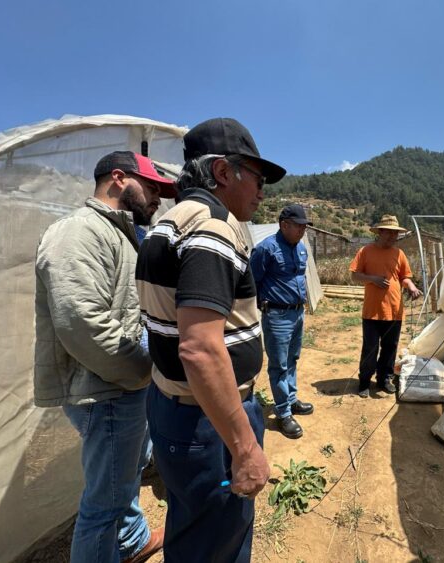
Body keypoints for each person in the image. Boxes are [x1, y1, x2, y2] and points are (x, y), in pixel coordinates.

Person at [136, 118, 286, 562]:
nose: (262, 193)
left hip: (176, 406)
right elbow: (200, 349)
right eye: (258, 179)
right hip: (210, 417)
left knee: (193, 526)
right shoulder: (213, 228)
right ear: (223, 171)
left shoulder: (168, 223)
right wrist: (244, 447)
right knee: (219, 540)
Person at [34, 151, 176, 563]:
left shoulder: (120, 233)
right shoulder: (79, 231)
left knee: (123, 478)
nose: (158, 198)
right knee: (104, 504)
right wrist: (141, 370)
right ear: (118, 178)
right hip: (107, 389)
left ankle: (131, 542)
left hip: (119, 384)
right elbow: (81, 321)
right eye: (151, 187)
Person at [250, 204, 314, 439]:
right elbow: (252, 281)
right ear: (284, 224)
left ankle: (291, 398)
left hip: (297, 313)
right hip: (277, 315)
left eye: (304, 227)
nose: (302, 230)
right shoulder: (266, 249)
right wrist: (261, 307)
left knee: (292, 359)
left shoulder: (301, 249)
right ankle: (283, 412)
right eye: (298, 226)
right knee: (279, 365)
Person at [349, 214, 422, 398]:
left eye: (395, 233)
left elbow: (404, 277)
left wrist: (411, 286)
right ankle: (364, 381)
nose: (393, 236)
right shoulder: (366, 251)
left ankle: (384, 379)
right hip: (372, 311)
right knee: (370, 348)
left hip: (394, 310)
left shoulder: (399, 254)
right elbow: (354, 275)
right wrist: (372, 279)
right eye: (389, 232)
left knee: (390, 348)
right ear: (380, 232)